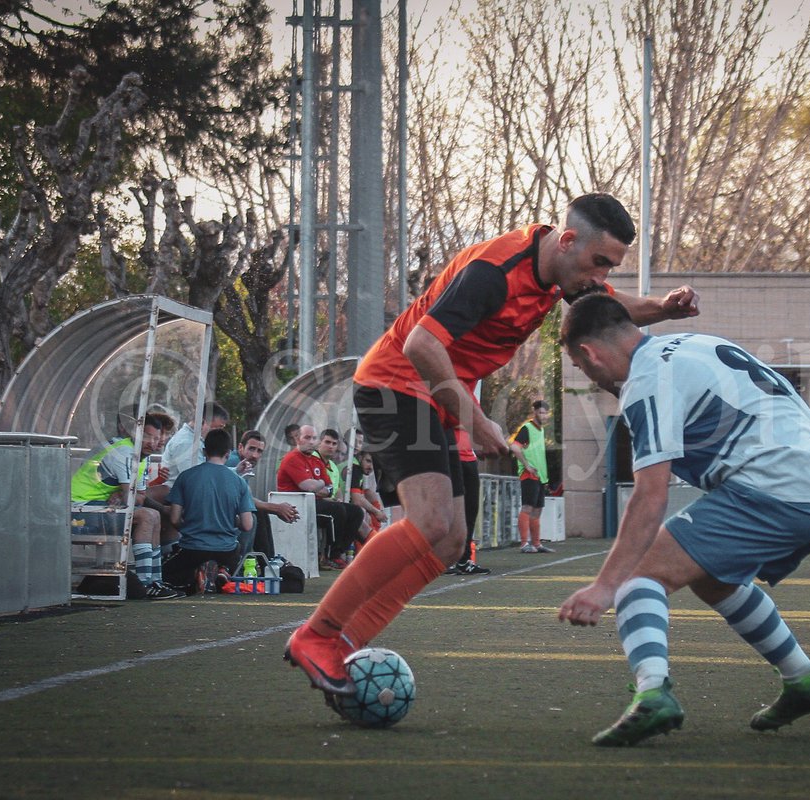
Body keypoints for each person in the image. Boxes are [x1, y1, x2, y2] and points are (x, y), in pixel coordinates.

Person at [283, 192, 700, 705]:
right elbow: (420, 345)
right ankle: (318, 635)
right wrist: (475, 419)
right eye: (599, 263)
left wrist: (663, 307)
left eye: (608, 267)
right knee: (431, 522)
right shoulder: (494, 270)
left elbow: (611, 306)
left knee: (451, 542)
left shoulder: (561, 273)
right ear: (567, 241)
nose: (599, 277)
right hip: (397, 383)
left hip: (436, 395)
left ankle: (345, 641)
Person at [556, 293, 810, 746]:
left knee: (639, 572)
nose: (593, 378)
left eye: (584, 369)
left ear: (589, 353)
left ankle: (653, 692)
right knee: (713, 578)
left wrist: (604, 586)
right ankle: (804, 681)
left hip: (779, 488)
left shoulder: (645, 381)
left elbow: (650, 496)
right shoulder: (691, 343)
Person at [70, 412, 181, 600]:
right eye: (147, 436)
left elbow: (139, 495)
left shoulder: (140, 456)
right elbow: (132, 497)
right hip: (78, 511)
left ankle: (155, 581)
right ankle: (145, 583)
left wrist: (126, 494)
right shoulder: (125, 453)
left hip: (95, 506)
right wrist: (125, 494)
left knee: (152, 514)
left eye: (156, 437)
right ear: (134, 433)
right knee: (147, 516)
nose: (153, 443)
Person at [163, 428, 256, 594]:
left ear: (204, 451)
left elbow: (174, 518)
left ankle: (197, 574)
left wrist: (192, 526)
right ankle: (222, 570)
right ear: (228, 453)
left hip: (193, 547)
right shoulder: (239, 482)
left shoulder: (186, 477)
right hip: (227, 549)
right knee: (234, 550)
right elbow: (248, 525)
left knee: (166, 572)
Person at [277, 424, 366, 569]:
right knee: (337, 510)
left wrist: (317, 486)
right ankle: (328, 556)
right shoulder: (292, 458)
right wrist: (319, 484)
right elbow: (308, 487)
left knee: (356, 511)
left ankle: (338, 553)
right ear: (298, 439)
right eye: (307, 437)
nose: (311, 442)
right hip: (296, 505)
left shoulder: (316, 461)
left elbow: (330, 488)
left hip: (314, 501)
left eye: (313, 438)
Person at [230, 430, 299, 557]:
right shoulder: (234, 462)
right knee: (254, 516)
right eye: (251, 449)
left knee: (259, 512)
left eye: (259, 451)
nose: (255, 455)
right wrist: (277, 508)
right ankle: (250, 563)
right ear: (240, 447)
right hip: (221, 517)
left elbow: (246, 498)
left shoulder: (242, 463)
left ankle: (267, 561)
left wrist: (275, 508)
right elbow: (244, 500)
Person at [443, 427, 491, 575]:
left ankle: (464, 560)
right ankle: (446, 560)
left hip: (470, 458)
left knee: (471, 510)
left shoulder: (472, 405)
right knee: (451, 512)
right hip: (451, 456)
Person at [509, 400, 554, 554]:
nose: (544, 415)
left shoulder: (540, 430)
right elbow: (514, 447)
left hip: (540, 475)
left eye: (546, 413)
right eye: (541, 412)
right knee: (527, 507)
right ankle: (524, 543)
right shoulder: (527, 428)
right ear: (534, 412)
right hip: (529, 474)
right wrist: (527, 465)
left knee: (538, 509)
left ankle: (536, 543)